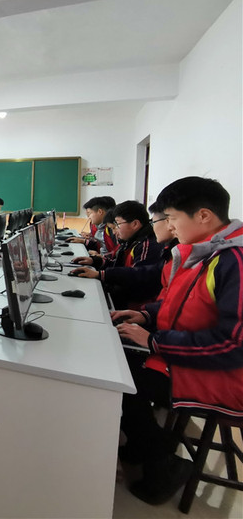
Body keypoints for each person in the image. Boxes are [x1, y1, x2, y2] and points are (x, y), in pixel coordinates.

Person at [112, 177, 243, 505]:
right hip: (189, 356)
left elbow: (235, 345)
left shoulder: (234, 261)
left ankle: (163, 462)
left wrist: (156, 342)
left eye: (171, 218)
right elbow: (179, 306)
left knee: (121, 380)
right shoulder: (205, 252)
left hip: (224, 375)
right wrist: (145, 316)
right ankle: (143, 445)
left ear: (203, 215)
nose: (168, 226)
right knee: (116, 358)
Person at [71, 201, 178, 308]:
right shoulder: (131, 241)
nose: (115, 231)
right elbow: (120, 264)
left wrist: (102, 275)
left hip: (137, 306)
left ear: (135, 224)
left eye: (117, 224)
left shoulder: (147, 244)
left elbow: (138, 276)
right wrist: (95, 261)